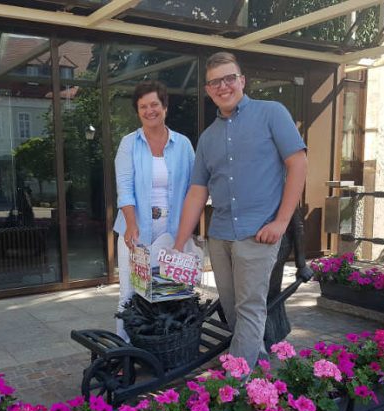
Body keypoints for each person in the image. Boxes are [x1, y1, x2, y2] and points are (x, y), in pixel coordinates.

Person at [173, 52, 308, 371]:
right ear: (208, 90)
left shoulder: (272, 113)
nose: (223, 86)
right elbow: (197, 191)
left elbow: (298, 163)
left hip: (258, 234)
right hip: (220, 237)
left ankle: (232, 385)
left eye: (229, 78)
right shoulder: (207, 138)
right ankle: (258, 365)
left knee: (250, 309)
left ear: (242, 81)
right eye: (215, 82)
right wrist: (180, 242)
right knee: (232, 310)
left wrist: (281, 221)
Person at [114, 80, 195, 341]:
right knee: (129, 293)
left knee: (170, 292)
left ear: (165, 107)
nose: (150, 111)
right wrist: (130, 224)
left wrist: (186, 234)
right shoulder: (129, 144)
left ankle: (166, 347)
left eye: (154, 104)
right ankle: (125, 351)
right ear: (137, 111)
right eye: (143, 106)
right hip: (135, 229)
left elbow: (195, 190)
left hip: (173, 230)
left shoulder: (183, 144)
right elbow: (124, 186)